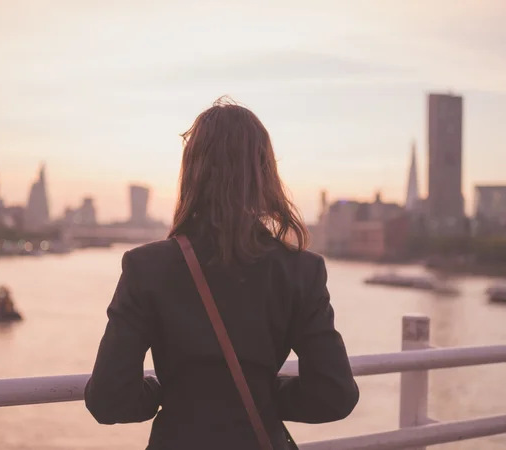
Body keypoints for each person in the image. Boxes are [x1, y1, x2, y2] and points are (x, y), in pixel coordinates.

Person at [85, 98, 359, 449]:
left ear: (191, 173)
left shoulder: (146, 268)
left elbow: (109, 399)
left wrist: (160, 392)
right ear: (264, 174)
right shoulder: (302, 271)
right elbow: (334, 394)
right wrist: (268, 396)